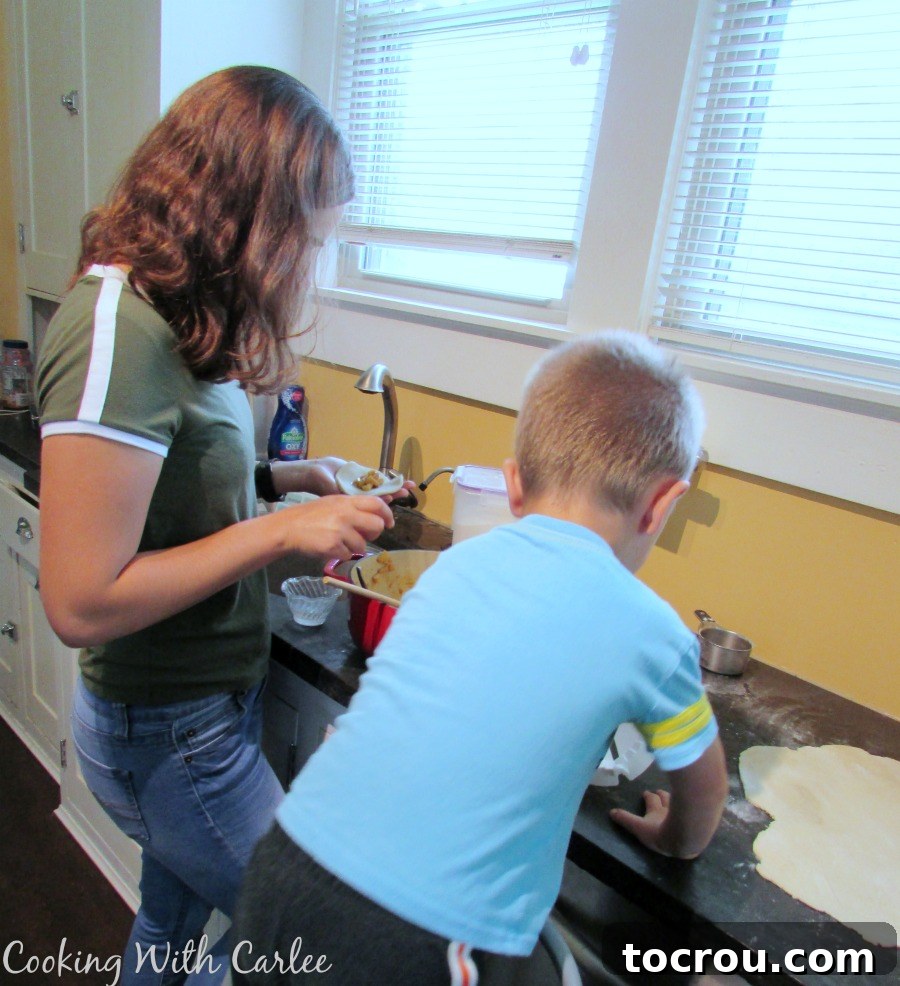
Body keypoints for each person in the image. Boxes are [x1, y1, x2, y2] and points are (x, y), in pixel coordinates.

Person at [35, 66, 399, 985]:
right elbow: (80, 600)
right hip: (165, 730)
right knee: (314, 942)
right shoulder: (119, 328)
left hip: (203, 709)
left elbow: (170, 479)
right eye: (303, 239)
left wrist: (287, 477)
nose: (304, 267)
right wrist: (283, 532)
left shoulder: (182, 314)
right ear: (247, 212)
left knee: (167, 930)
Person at [231, 331, 730, 985]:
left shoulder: (456, 564)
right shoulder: (655, 635)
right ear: (664, 503)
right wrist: (674, 837)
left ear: (514, 487)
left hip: (283, 867)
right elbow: (704, 792)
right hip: (412, 936)